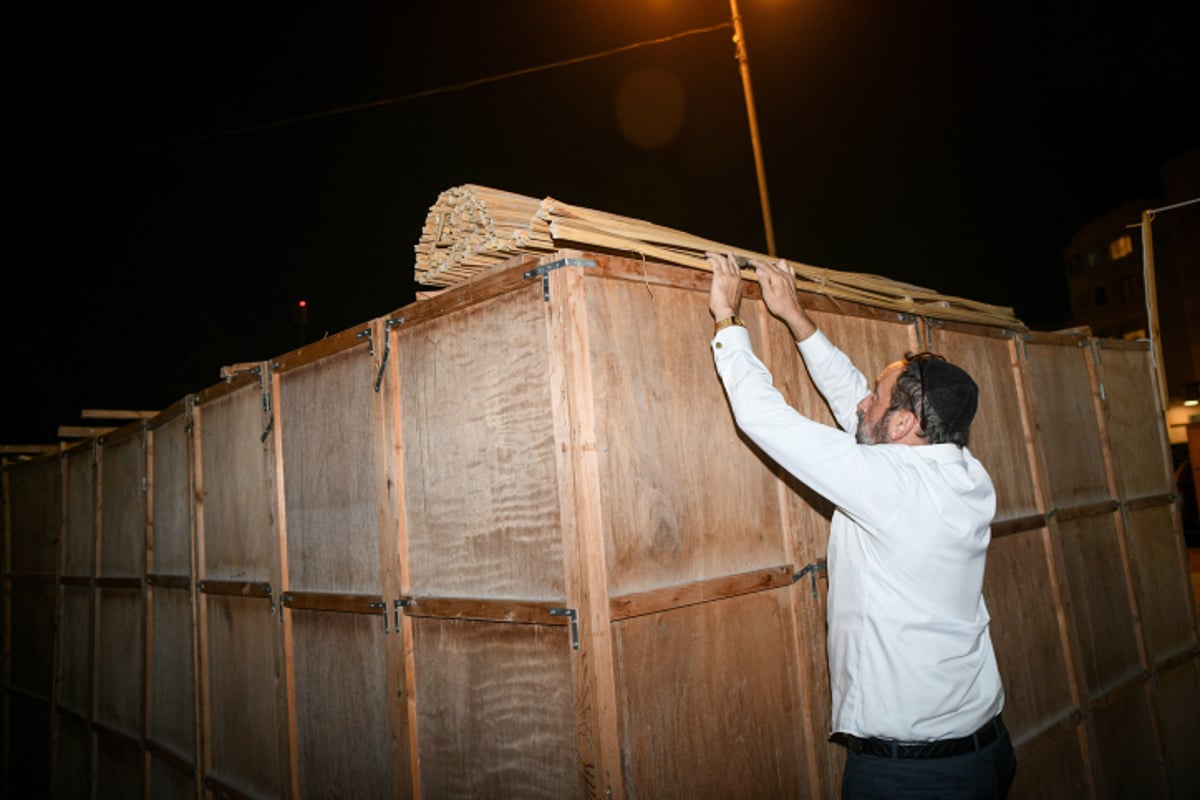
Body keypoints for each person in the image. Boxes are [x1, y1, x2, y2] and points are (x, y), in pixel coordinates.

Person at [706, 252, 1016, 799]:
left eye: (877, 393)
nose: (862, 399)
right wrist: (796, 320)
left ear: (904, 425)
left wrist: (727, 320)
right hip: (984, 753)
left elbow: (764, 417)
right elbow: (860, 405)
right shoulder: (965, 473)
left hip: (915, 778)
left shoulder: (890, 486)